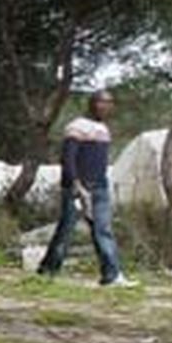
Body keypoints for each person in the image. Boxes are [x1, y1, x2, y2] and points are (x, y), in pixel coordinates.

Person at [36, 89, 135, 287]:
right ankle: (47, 270)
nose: (106, 106)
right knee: (66, 230)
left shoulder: (104, 130)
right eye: (101, 102)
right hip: (78, 188)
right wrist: (76, 185)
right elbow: (68, 158)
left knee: (103, 230)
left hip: (100, 187)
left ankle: (112, 275)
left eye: (109, 102)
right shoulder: (77, 127)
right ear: (92, 104)